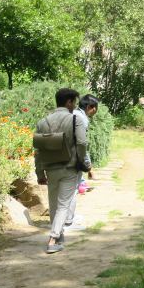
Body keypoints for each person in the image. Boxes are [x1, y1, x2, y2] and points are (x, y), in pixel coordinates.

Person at [35, 88, 91, 254]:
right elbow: (81, 143)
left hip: (50, 168)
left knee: (53, 204)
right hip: (69, 167)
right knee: (63, 205)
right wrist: (83, 161)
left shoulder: (42, 122)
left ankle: (58, 235)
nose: (74, 105)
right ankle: (53, 239)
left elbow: (38, 151)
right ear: (68, 102)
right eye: (74, 102)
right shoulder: (75, 120)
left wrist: (39, 173)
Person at [66, 94, 99, 227]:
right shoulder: (82, 119)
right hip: (73, 159)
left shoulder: (72, 113)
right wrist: (88, 166)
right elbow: (81, 144)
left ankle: (65, 218)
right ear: (90, 107)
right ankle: (68, 221)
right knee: (72, 190)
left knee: (64, 191)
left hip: (62, 156)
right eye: (96, 108)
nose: (96, 111)